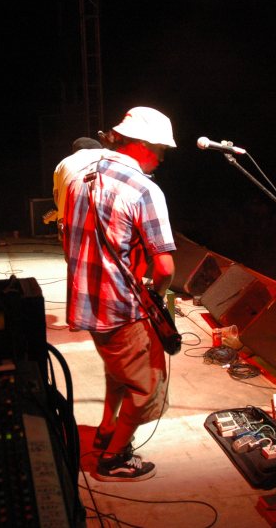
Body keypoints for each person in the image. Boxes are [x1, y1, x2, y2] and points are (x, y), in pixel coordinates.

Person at [62, 106, 177, 482]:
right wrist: (157, 296)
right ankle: (113, 458)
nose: (161, 158)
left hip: (87, 302)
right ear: (143, 145)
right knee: (146, 386)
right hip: (122, 306)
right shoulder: (144, 189)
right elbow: (164, 268)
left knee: (118, 371)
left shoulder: (81, 178)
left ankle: (107, 428)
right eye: (160, 150)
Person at [52, 136, 105, 239]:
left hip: (70, 223)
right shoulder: (107, 157)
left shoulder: (63, 163)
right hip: (104, 218)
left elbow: (56, 196)